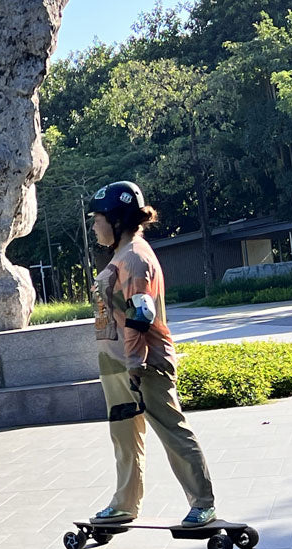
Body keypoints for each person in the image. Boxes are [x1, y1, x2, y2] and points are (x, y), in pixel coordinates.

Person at [88, 181, 217, 528]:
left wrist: (134, 363)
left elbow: (140, 314)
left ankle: (202, 502)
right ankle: (125, 502)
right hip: (116, 364)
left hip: (143, 363)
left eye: (97, 218)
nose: (94, 226)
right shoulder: (121, 254)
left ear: (116, 219)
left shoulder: (135, 257)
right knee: (125, 435)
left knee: (172, 431)